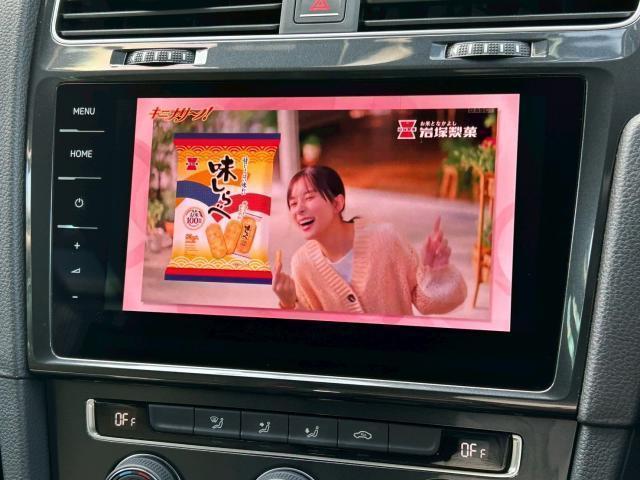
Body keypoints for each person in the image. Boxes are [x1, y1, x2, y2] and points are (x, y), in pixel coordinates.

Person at [272, 166, 467, 316]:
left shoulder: (386, 239)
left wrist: (434, 274)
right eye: (293, 203)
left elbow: (427, 304)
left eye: (308, 197)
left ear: (337, 203)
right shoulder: (302, 264)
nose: (299, 209)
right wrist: (289, 303)